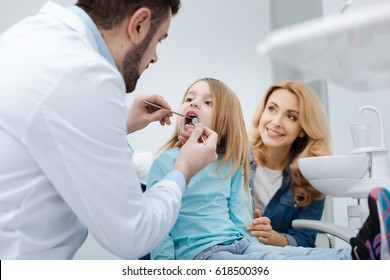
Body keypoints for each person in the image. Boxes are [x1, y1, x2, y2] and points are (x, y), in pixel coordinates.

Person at [0, 0, 218, 260]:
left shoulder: (29, 34)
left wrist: (121, 122)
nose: (155, 57)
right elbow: (134, 235)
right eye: (159, 40)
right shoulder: (86, 75)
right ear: (139, 24)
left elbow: (46, 127)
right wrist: (184, 168)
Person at [147, 77, 390, 260]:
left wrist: (267, 243)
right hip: (204, 254)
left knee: (284, 257)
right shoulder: (166, 163)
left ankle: (356, 254)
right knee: (267, 262)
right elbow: (158, 229)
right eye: (189, 99)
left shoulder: (230, 163)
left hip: (241, 243)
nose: (194, 103)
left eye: (291, 116)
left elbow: (241, 220)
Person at [246, 81, 331, 247]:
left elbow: (304, 240)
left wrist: (272, 237)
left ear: (303, 129)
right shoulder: (234, 159)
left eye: (291, 117)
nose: (276, 122)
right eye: (272, 109)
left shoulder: (312, 179)